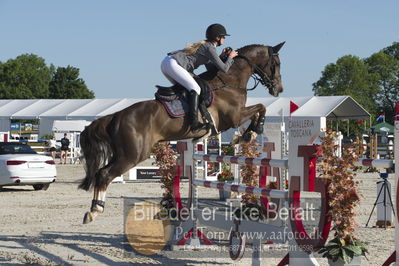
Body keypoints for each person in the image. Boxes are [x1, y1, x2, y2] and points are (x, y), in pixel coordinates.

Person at [160, 23, 238, 133]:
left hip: (168, 63)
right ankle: (194, 124)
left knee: (186, 90)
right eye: (223, 37)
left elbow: (210, 67)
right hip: (173, 64)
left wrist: (221, 57)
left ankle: (179, 116)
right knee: (195, 89)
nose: (224, 39)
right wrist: (230, 57)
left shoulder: (208, 46)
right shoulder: (209, 48)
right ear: (217, 37)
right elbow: (224, 69)